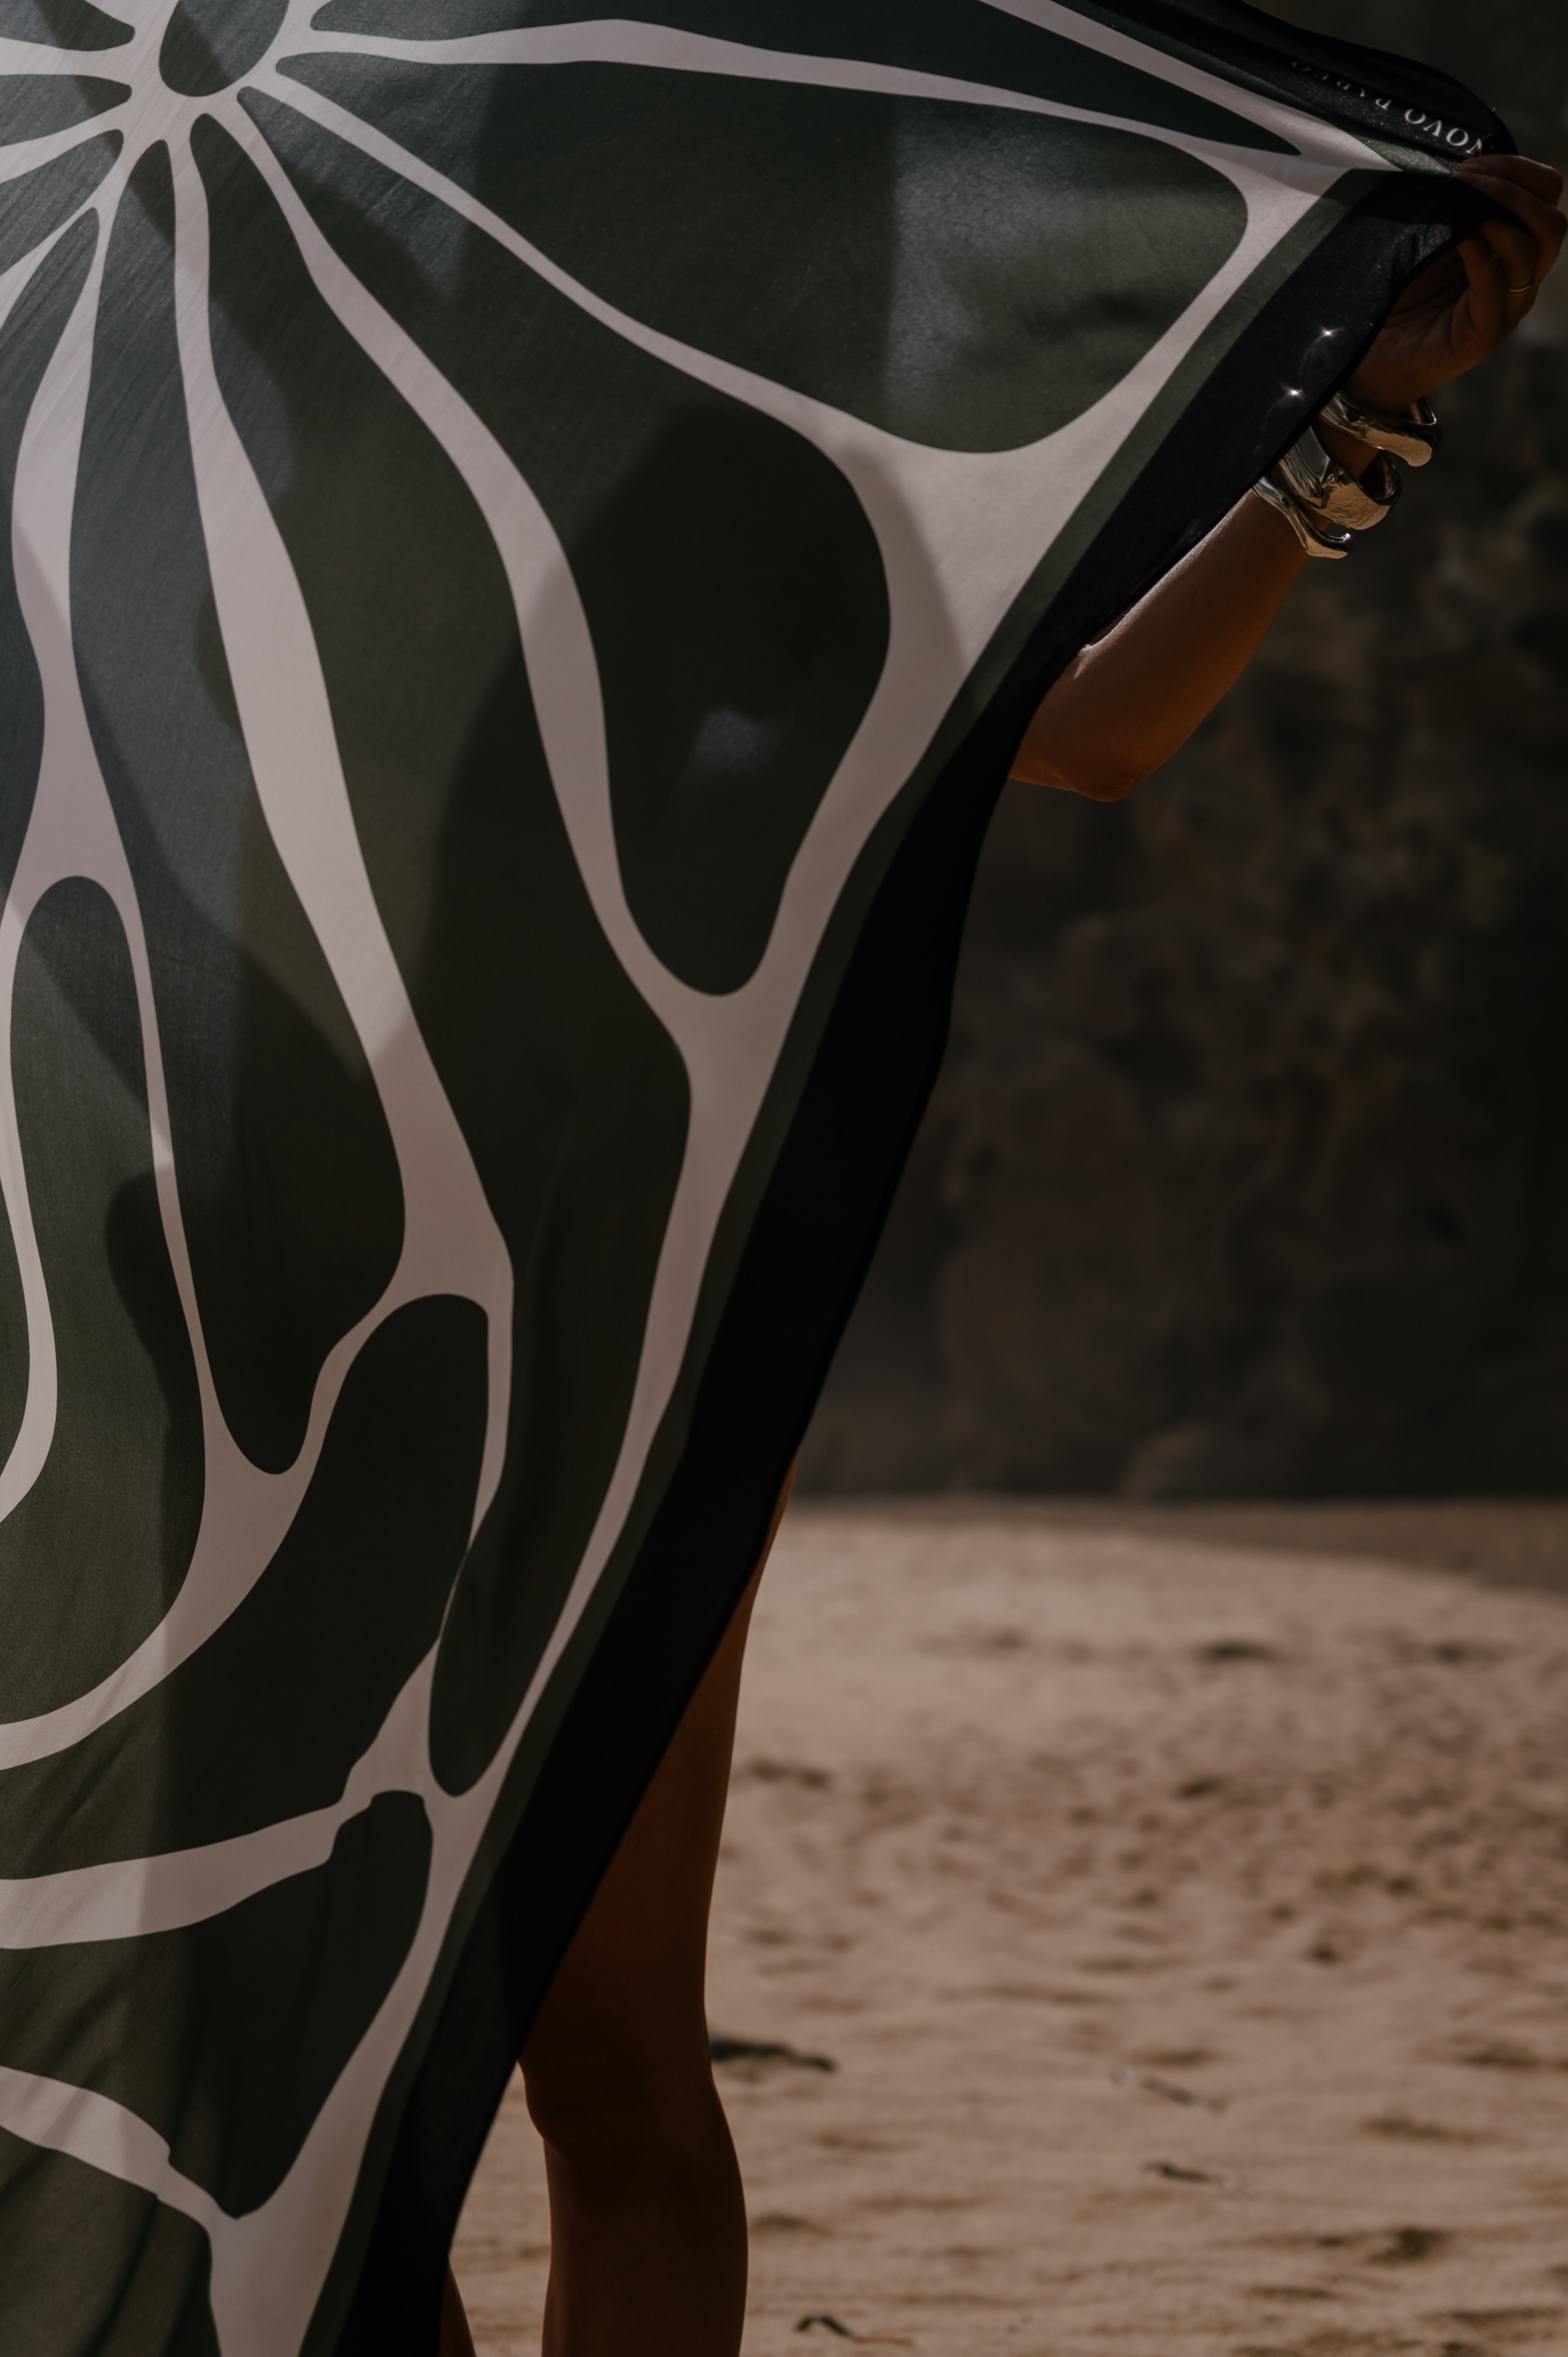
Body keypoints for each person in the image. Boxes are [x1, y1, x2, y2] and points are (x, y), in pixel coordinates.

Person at [436, 147, 1564, 2357]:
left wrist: (1354, 431)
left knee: (606, 2073)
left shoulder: (752, 500)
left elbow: (1098, 731)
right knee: (329, 2092)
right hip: (278, 1333)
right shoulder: (233, 479)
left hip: (639, 1349)